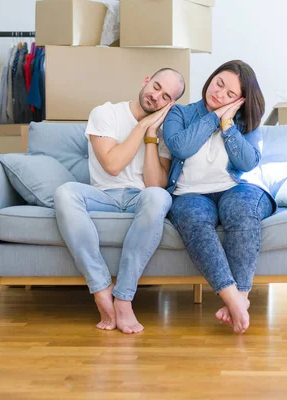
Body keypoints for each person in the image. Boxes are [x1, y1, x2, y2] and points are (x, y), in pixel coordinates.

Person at [54, 68, 186, 334]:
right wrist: (141, 126)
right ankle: (101, 289)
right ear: (146, 80)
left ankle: (124, 297)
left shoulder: (165, 133)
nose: (156, 96)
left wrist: (152, 135)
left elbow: (155, 184)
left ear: (170, 104)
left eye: (165, 96)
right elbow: (113, 165)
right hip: (103, 196)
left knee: (159, 196)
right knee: (65, 193)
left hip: (141, 197)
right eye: (156, 86)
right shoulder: (105, 113)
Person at [162, 60, 276, 335]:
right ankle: (234, 300)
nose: (219, 94)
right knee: (193, 218)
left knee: (241, 209)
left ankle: (242, 297)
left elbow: (248, 163)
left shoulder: (245, 122)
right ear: (211, 77)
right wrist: (214, 117)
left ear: (240, 100)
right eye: (219, 83)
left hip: (236, 188)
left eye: (229, 94)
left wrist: (227, 125)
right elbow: (181, 148)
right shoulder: (180, 112)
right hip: (189, 192)